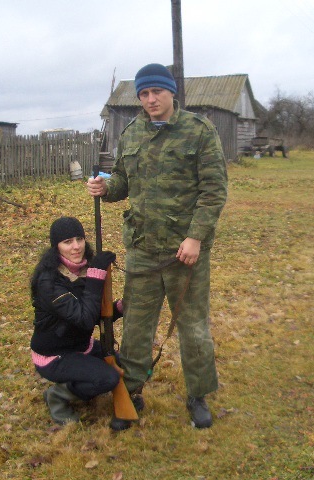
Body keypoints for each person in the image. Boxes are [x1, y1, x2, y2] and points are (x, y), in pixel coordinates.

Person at [87, 63, 228, 429]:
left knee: (193, 327)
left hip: (186, 252)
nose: (150, 99)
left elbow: (214, 190)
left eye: (157, 92)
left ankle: (198, 395)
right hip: (143, 249)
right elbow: (122, 180)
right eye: (144, 94)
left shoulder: (199, 131)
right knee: (136, 326)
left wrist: (195, 237)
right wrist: (106, 187)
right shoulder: (132, 133)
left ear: (171, 93)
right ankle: (131, 392)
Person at [29, 216, 121, 426]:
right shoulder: (49, 282)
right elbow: (84, 319)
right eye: (68, 242)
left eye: (79, 239)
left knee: (122, 363)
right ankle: (58, 396)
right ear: (56, 247)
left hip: (81, 346)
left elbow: (93, 311)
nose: (76, 247)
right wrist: (96, 276)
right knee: (108, 378)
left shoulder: (82, 270)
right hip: (54, 355)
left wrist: (119, 308)